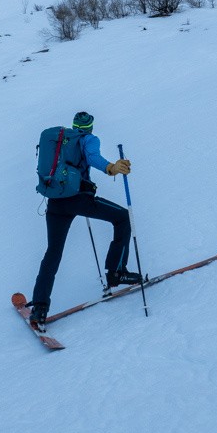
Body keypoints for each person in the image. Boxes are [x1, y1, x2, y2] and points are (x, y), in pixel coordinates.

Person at [29, 111, 141, 327]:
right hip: (79, 199)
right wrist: (111, 168)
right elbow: (93, 158)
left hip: (55, 202)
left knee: (52, 253)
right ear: (91, 126)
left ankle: (40, 308)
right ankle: (117, 272)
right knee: (122, 218)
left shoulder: (61, 140)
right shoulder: (88, 139)